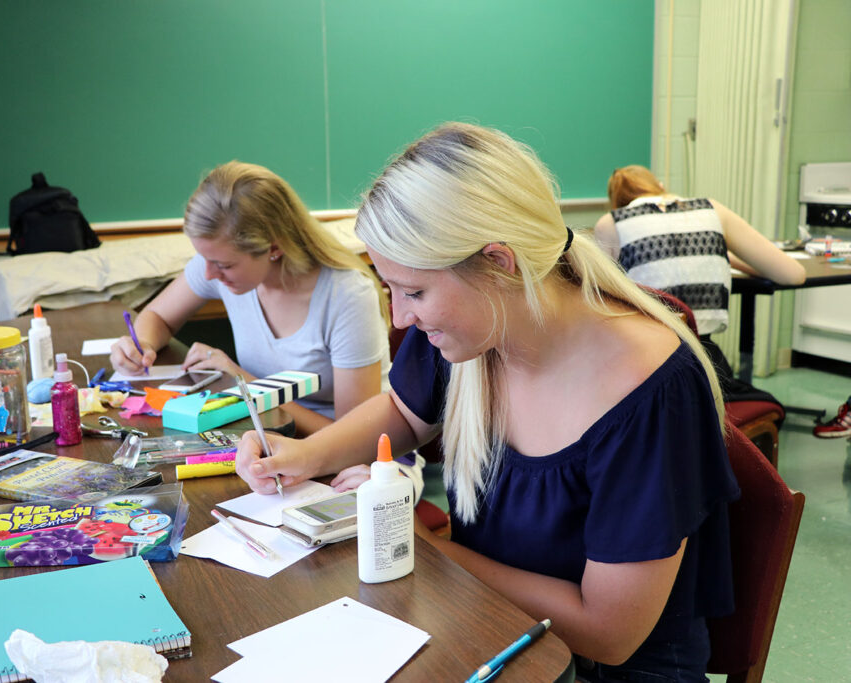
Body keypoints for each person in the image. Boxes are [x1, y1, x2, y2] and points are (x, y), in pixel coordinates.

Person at [235, 123, 740, 681]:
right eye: (391, 290)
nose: (400, 318)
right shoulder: (471, 333)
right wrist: (300, 457)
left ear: (500, 263)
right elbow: (404, 414)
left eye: (415, 292)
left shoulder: (650, 392)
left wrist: (423, 544)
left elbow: (610, 634)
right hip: (486, 622)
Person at [110, 161, 390, 436]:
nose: (208, 274)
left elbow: (354, 440)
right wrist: (141, 345)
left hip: (363, 463)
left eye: (225, 265)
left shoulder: (348, 297)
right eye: (204, 259)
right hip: (269, 434)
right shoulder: (219, 262)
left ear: (274, 247)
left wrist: (245, 386)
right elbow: (157, 317)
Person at [594, 165, 806, 403]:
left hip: (644, 366)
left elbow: (599, 301)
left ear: (616, 203)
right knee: (761, 399)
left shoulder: (611, 223)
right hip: (706, 363)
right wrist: (727, 253)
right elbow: (794, 274)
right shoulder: (712, 210)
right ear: (661, 187)